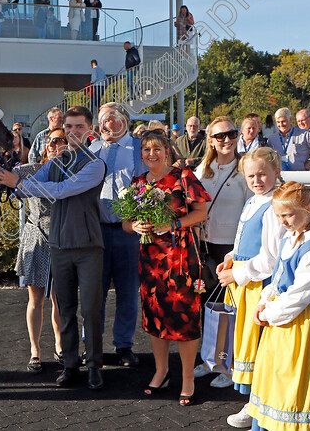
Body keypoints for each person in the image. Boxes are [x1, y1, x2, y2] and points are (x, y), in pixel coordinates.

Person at [0, 106, 106, 391]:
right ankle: (70, 365)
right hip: (60, 247)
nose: (72, 132)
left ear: (90, 131)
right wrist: (2, 175)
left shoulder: (96, 164)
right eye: (68, 127)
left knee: (90, 310)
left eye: (78, 127)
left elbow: (63, 189)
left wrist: (18, 181)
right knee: (65, 309)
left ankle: (94, 367)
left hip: (89, 247)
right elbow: (27, 187)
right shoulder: (53, 163)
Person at [124, 130, 210, 406]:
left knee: (184, 319)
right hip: (150, 261)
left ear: (168, 150)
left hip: (181, 258)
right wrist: (134, 226)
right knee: (155, 317)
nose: (152, 154)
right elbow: (126, 222)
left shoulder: (183, 177)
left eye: (157, 149)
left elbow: (201, 212)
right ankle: (161, 371)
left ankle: (187, 378)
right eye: (146, 150)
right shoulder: (138, 182)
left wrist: (172, 224)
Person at [247, 182, 310, 431]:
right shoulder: (291, 238)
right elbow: (278, 279)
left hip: (301, 323)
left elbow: (299, 295)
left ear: (308, 209)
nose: (282, 221)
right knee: (274, 379)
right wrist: (264, 300)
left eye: (287, 215)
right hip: (279, 319)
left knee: (296, 383)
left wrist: (269, 313)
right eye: (278, 216)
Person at [213, 147, 284, 428]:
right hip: (244, 281)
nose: (257, 180)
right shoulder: (254, 201)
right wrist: (231, 256)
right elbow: (244, 240)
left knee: (258, 348)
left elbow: (269, 258)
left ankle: (258, 404)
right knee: (245, 344)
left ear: (276, 172)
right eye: (251, 175)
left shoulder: (273, 206)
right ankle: (255, 402)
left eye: (262, 174)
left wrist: (238, 274)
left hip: (258, 285)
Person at [193, 117, 251, 389]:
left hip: (233, 249)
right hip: (205, 246)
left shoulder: (245, 170)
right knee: (209, 306)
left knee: (232, 309)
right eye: (219, 136)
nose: (226, 140)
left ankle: (229, 365)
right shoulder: (203, 169)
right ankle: (211, 359)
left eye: (231, 134)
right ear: (211, 140)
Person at [88, 103, 147, 368]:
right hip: (95, 232)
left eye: (111, 119)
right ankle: (93, 346)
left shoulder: (139, 149)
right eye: (102, 120)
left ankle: (123, 345)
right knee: (93, 292)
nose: (105, 125)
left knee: (127, 292)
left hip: (127, 233)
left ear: (125, 121)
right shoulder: (91, 149)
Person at [14, 127, 67, 373]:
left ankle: (60, 346)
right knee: (35, 300)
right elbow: (6, 175)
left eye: (60, 140)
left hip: (61, 239)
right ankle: (35, 350)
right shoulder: (34, 169)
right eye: (50, 140)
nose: (54, 144)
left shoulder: (73, 173)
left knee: (59, 299)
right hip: (36, 239)